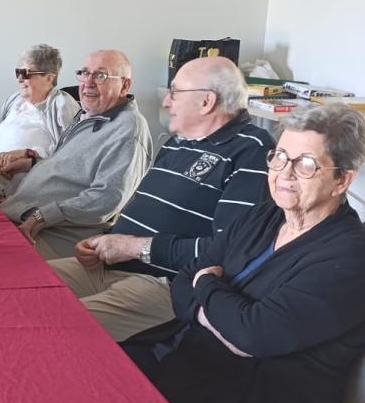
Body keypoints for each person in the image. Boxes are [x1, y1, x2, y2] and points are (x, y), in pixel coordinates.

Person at [126, 104, 365, 403]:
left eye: (305, 164)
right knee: (96, 380)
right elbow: (183, 281)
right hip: (196, 358)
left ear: (341, 180)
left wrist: (207, 287)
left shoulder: (350, 257)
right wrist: (219, 311)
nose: (284, 174)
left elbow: (253, 336)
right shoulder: (264, 215)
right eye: (280, 157)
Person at [50, 56, 274, 340]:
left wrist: (135, 247)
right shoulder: (177, 143)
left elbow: (229, 251)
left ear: (206, 101)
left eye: (175, 93)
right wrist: (105, 241)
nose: (166, 102)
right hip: (108, 265)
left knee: (53, 327)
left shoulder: (252, 149)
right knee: (16, 290)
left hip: (164, 283)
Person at [0, 49, 152, 258]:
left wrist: (40, 217)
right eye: (84, 73)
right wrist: (31, 164)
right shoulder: (90, 114)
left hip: (53, 236)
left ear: (125, 85)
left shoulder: (128, 129)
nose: (88, 82)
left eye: (100, 75)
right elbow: (69, 166)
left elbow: (105, 199)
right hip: (20, 212)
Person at [0, 44, 79, 200]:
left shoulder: (61, 104)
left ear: (49, 77)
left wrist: (28, 156)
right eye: (18, 72)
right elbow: (1, 131)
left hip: (16, 184)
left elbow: (70, 154)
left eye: (26, 73)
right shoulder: (16, 100)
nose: (20, 78)